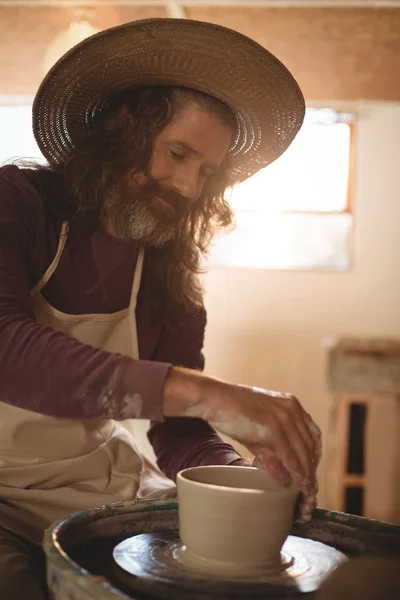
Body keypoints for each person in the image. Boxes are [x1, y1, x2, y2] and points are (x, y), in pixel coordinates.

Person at [0, 18, 321, 599]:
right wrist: (209, 391)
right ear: (120, 128)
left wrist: (237, 473)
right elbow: (7, 349)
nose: (188, 187)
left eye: (206, 171)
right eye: (177, 153)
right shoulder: (16, 205)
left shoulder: (166, 269)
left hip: (93, 483)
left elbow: (177, 428)